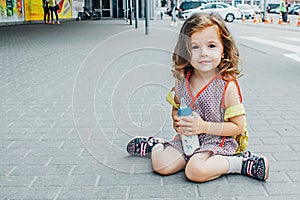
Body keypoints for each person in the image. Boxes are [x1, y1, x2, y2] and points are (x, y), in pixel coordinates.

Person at [127, 13, 269, 182]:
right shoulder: (182, 80)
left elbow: (238, 127)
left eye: (211, 46)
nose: (203, 53)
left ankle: (240, 163)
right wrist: (177, 121)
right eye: (195, 47)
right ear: (185, 51)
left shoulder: (226, 86)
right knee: (162, 167)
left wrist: (203, 126)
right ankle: (156, 146)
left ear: (224, 49)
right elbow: (177, 107)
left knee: (195, 171)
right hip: (188, 140)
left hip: (217, 141)